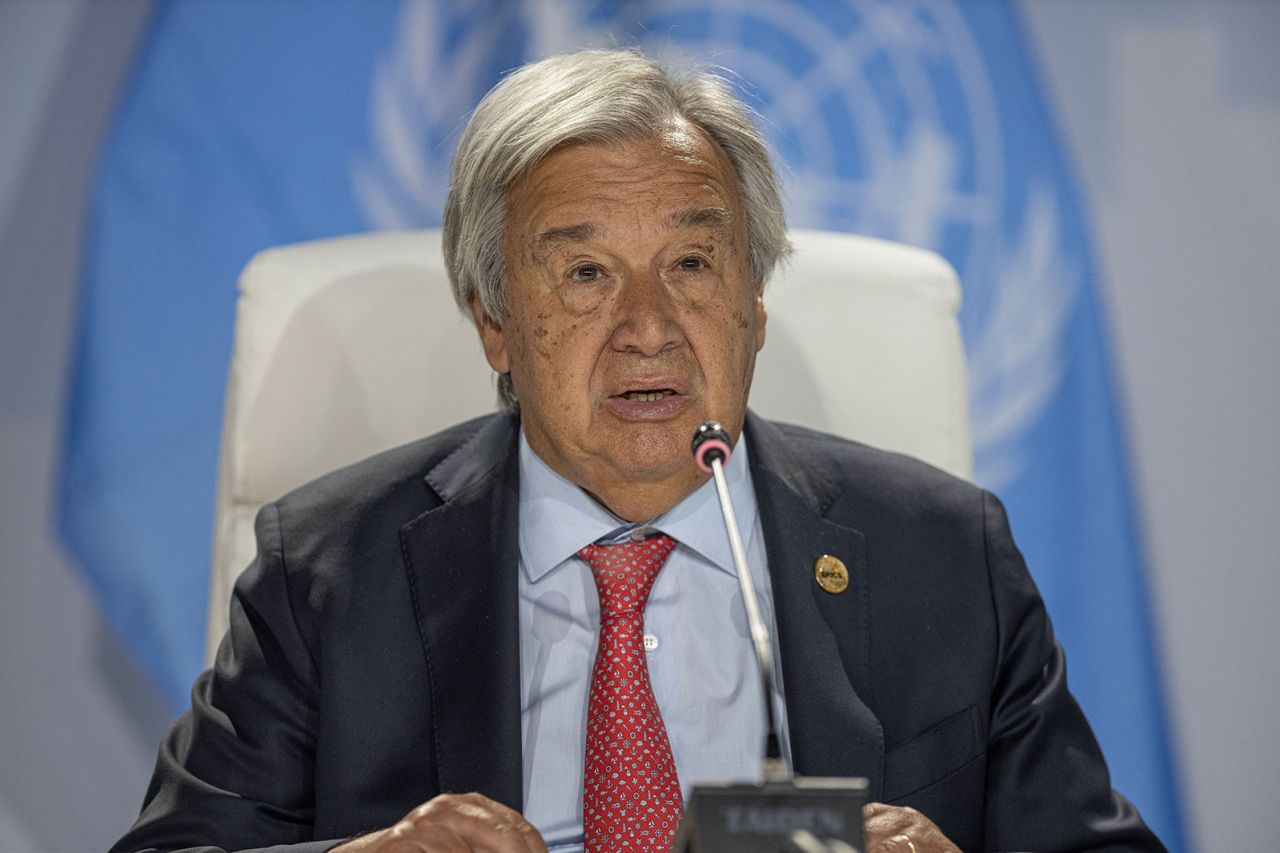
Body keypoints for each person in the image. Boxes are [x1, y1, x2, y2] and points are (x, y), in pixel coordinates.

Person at [112, 49, 1164, 853]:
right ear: (493, 323)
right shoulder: (329, 570)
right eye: (583, 276)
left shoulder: (938, 553)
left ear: (752, 303)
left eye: (693, 263)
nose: (649, 326)